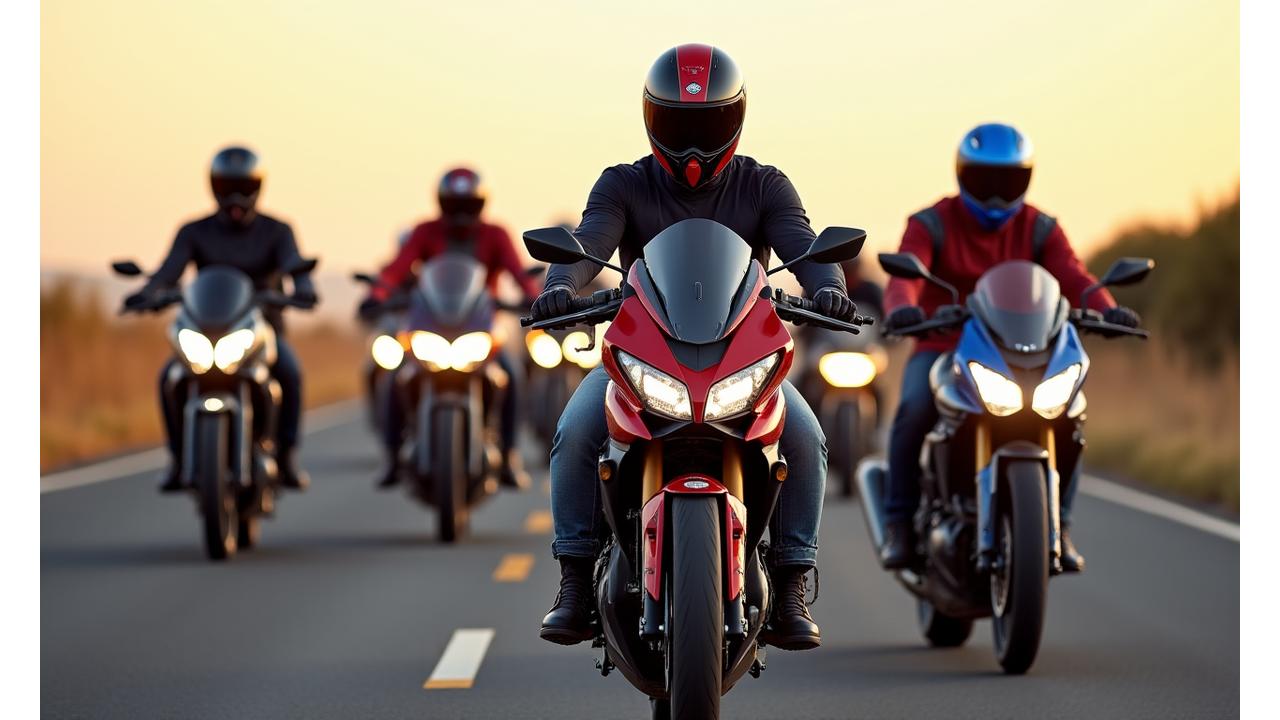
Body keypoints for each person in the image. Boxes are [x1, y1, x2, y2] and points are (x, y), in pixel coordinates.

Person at [530, 44, 857, 651]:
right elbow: (587, 243)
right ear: (652, 121)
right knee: (576, 430)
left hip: (742, 359)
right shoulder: (622, 184)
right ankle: (573, 578)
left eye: (706, 127)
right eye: (678, 127)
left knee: (806, 437)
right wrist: (557, 287)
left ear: (734, 120)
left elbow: (803, 246)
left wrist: (831, 289)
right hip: (641, 357)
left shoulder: (765, 185)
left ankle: (790, 580)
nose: (692, 147)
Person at [878, 123, 1142, 573]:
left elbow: (1075, 277)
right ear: (963, 175)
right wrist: (903, 308)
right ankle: (899, 525)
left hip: (1027, 349)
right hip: (944, 345)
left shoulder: (1041, 228)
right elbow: (907, 275)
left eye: (1009, 181)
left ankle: (1061, 523)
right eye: (986, 181)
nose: (998, 195)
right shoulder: (931, 223)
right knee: (915, 410)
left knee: (1069, 414)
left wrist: (1107, 307)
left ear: (1026, 179)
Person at [125, 146, 318, 491]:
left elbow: (294, 265)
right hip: (204, 328)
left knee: (290, 372)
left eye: (244, 187)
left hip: (261, 329)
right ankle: (178, 459)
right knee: (168, 378)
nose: (236, 197)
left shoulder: (278, 231)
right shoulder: (194, 231)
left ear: (258, 188)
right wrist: (149, 293)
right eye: (227, 187)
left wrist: (303, 289)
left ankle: (287, 455)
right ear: (213, 187)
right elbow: (169, 271)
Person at [360, 167, 541, 490]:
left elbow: (519, 274)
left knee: (511, 374)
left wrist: (535, 298)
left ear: (480, 205)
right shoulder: (425, 232)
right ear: (441, 204)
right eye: (454, 207)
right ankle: (391, 456)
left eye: (467, 207)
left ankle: (510, 455)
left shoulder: (496, 235)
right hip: (430, 324)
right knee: (394, 379)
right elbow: (397, 268)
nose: (460, 215)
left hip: (480, 325)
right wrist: (377, 295)